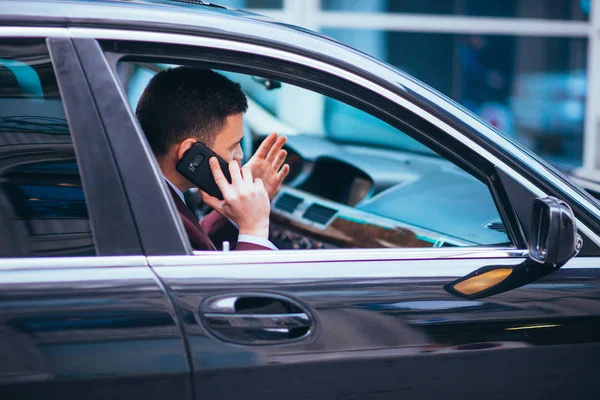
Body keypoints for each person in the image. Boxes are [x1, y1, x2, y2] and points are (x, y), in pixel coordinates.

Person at [136, 67, 290, 251]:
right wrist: (254, 226)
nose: (240, 156)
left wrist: (239, 211)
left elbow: (196, 244)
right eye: (233, 146)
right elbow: (244, 280)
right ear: (190, 154)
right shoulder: (160, 221)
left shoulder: (144, 191)